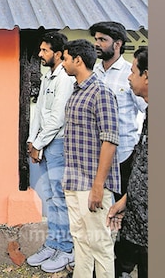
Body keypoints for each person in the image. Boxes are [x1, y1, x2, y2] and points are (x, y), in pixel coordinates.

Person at [88, 21, 146, 277]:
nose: (97, 44)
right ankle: (100, 266)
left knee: (123, 218)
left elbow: (145, 109)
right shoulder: (94, 73)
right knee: (99, 214)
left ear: (118, 44)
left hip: (124, 159)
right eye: (96, 39)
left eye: (102, 40)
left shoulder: (130, 74)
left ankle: (119, 268)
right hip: (97, 159)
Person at [60, 39, 120, 278]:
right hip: (74, 182)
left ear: (78, 60)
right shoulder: (76, 92)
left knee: (100, 245)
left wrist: (98, 186)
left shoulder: (101, 93)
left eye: (65, 58)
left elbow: (110, 140)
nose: (63, 63)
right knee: (81, 241)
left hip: (93, 185)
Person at [24, 31, 77, 273]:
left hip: (57, 144)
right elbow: (39, 113)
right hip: (45, 143)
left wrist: (39, 143)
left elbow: (57, 119)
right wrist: (31, 140)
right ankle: (53, 244)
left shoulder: (65, 78)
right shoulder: (48, 76)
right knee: (51, 198)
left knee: (59, 199)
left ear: (57, 53)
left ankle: (65, 249)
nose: (40, 54)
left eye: (45, 50)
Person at [108, 47, 148, 277]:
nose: (129, 77)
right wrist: (125, 200)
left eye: (133, 71)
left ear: (147, 76)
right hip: (136, 217)